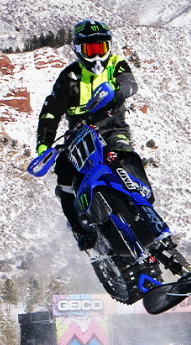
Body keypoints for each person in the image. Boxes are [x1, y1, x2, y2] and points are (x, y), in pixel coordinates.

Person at [36, 19, 154, 250]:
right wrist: (44, 145)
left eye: (101, 47)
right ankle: (80, 230)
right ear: (79, 50)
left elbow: (130, 83)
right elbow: (50, 113)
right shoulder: (68, 78)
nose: (97, 55)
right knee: (63, 178)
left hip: (113, 129)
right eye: (91, 49)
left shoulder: (117, 64)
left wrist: (119, 91)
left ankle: (142, 205)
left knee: (124, 154)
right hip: (79, 138)